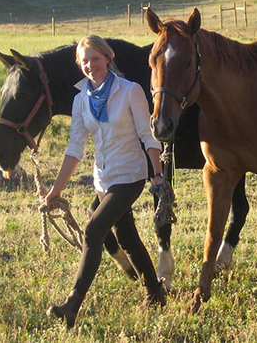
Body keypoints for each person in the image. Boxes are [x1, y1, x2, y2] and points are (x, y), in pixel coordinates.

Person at [44, 35, 166, 329]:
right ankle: (155, 292)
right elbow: (75, 149)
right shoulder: (80, 99)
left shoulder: (130, 91)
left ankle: (72, 305)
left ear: (107, 58)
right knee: (127, 237)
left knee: (94, 229)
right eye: (84, 61)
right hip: (104, 179)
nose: (90, 65)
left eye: (95, 59)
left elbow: (148, 137)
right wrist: (55, 190)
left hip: (130, 175)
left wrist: (158, 175)